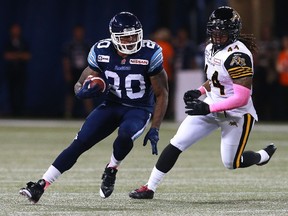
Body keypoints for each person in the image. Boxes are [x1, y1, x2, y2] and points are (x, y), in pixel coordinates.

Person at [129, 6, 277, 200]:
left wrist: (208, 107)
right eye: (214, 31)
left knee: (231, 162)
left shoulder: (238, 57)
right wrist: (200, 91)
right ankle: (149, 187)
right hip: (212, 104)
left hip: (237, 114)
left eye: (222, 33)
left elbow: (241, 97)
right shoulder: (210, 48)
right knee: (177, 142)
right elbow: (216, 79)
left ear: (233, 33)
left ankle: (261, 156)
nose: (217, 36)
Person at [19, 11, 168, 203]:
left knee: (125, 135)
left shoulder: (150, 53)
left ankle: (112, 168)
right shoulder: (101, 50)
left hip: (138, 108)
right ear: (114, 38)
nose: (131, 40)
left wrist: (155, 127)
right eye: (126, 36)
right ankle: (41, 185)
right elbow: (79, 82)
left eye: (134, 35)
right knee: (79, 143)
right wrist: (81, 92)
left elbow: (161, 93)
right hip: (112, 105)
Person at [62, 25, 93, 118]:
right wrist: (67, 72)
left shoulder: (87, 45)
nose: (79, 34)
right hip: (73, 71)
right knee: (70, 93)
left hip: (84, 72)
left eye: (80, 31)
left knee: (87, 92)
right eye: (77, 31)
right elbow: (66, 60)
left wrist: (90, 73)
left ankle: (90, 114)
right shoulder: (70, 46)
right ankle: (68, 113)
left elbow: (92, 60)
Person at [3, 23, 31, 116]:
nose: (16, 31)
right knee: (11, 92)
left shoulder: (24, 42)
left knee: (21, 92)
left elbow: (27, 56)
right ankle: (12, 112)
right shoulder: (7, 42)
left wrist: (14, 55)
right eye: (14, 29)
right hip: (11, 72)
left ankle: (21, 112)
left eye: (17, 29)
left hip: (21, 72)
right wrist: (19, 55)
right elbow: (6, 56)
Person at [276, 35, 288, 121]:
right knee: (283, 102)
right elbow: (278, 68)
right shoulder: (281, 54)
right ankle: (282, 118)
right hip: (283, 82)